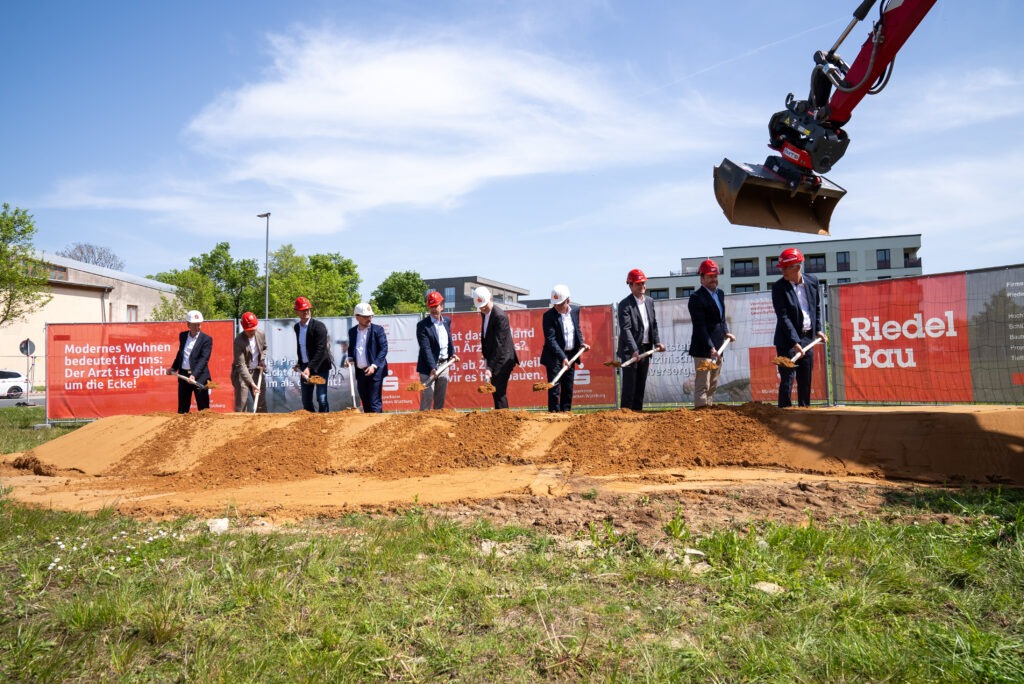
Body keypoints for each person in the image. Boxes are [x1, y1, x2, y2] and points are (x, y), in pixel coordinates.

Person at [772, 247, 828, 408]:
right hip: (787, 341)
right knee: (787, 379)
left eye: (785, 267)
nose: (782, 271)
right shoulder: (779, 287)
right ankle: (784, 413)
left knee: (805, 380)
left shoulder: (812, 281)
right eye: (781, 267)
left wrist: (818, 329)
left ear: (797, 267)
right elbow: (783, 317)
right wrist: (794, 342)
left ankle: (805, 412)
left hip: (807, 338)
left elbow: (815, 307)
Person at [688, 260, 736, 407]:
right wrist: (710, 347)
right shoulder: (696, 298)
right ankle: (701, 413)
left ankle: (708, 415)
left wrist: (726, 332)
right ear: (702, 278)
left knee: (713, 383)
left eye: (715, 276)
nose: (714, 279)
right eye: (710, 276)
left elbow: (721, 319)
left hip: (718, 346)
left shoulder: (720, 294)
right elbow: (700, 326)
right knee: (703, 384)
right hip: (703, 348)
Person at [617, 268, 665, 412]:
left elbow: (653, 324)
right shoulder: (625, 304)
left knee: (640, 385)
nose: (642, 286)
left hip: (645, 349)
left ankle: (637, 414)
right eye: (638, 284)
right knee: (630, 385)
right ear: (630, 285)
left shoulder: (649, 301)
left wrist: (657, 342)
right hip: (630, 351)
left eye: (643, 283)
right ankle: (625, 415)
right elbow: (625, 329)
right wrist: (634, 350)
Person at [540, 284, 589, 412]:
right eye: (554, 304)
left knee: (568, 388)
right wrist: (562, 357)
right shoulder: (548, 316)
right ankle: (554, 415)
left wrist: (581, 344)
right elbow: (550, 339)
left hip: (571, 355)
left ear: (568, 300)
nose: (557, 306)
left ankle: (566, 414)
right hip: (554, 357)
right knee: (554, 389)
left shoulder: (575, 311)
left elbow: (576, 330)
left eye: (560, 304)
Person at [475, 286, 519, 409]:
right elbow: (485, 336)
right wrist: (486, 356)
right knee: (496, 392)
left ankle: (504, 419)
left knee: (499, 392)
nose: (483, 308)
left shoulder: (500, 316)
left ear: (491, 298)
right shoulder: (485, 314)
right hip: (494, 357)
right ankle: (500, 417)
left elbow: (499, 344)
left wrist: (490, 367)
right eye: (480, 307)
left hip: (503, 360)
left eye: (484, 305)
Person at [416, 291, 458, 410]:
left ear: (442, 306)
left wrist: (452, 353)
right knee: (427, 396)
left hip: (444, 365)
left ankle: (437, 423)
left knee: (440, 397)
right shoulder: (422, 325)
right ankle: (423, 422)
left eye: (436, 306)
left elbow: (448, 340)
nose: (434, 309)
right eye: (431, 307)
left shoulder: (446, 321)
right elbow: (425, 348)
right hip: (428, 367)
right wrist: (432, 367)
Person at [345, 302, 389, 413]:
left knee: (375, 401)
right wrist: (350, 358)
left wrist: (374, 366)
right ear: (357, 317)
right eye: (365, 316)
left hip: (376, 370)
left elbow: (384, 349)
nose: (369, 318)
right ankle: (369, 428)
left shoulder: (378, 330)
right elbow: (352, 348)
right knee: (365, 402)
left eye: (370, 316)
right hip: (361, 372)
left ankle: (378, 427)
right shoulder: (352, 332)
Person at [168, 310, 213, 414]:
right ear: (188, 324)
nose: (198, 327)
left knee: (203, 410)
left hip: (200, 377)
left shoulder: (206, 339)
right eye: (195, 325)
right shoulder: (183, 336)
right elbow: (180, 354)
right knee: (183, 410)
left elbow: (204, 359)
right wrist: (174, 368)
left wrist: (194, 375)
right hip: (183, 376)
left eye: (199, 324)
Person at [292, 296, 332, 412]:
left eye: (308, 309)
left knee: (321, 398)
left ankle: (325, 422)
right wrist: (300, 364)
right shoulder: (297, 327)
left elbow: (321, 349)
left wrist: (309, 367)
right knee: (306, 400)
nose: (306, 312)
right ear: (297, 312)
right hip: (305, 367)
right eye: (303, 310)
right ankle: (310, 425)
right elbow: (301, 347)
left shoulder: (319, 326)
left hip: (320, 367)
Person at [231, 311, 268, 413]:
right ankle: (241, 426)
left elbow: (264, 348)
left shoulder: (261, 334)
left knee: (261, 403)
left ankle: (263, 425)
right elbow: (240, 365)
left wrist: (262, 360)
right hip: (242, 374)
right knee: (241, 403)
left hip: (257, 371)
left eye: (253, 329)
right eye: (249, 330)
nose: (252, 332)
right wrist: (252, 384)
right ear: (243, 328)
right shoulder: (238, 341)